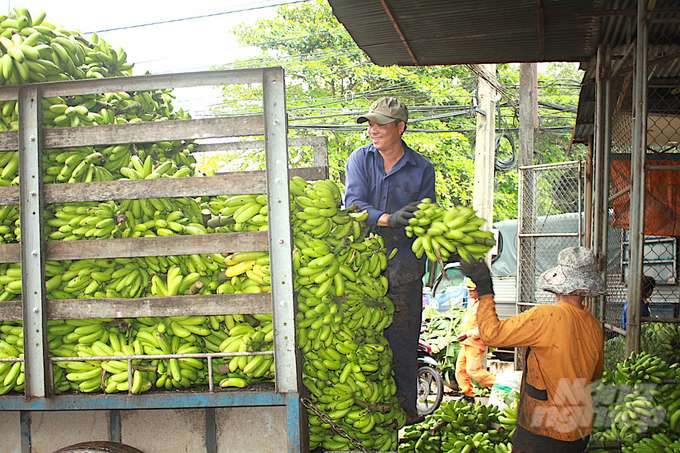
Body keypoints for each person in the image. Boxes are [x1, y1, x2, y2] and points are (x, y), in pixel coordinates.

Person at [344, 96, 436, 424]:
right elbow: (353, 205)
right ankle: (362, 410)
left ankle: (404, 411)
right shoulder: (359, 159)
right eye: (370, 124)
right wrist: (388, 219)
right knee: (362, 340)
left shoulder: (422, 168)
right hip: (362, 269)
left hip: (404, 272)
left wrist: (424, 222)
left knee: (402, 341)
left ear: (400, 127)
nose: (373, 130)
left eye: (380, 124)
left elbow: (427, 214)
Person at [459, 246, 605, 453]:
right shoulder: (593, 325)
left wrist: (485, 288)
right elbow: (596, 376)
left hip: (545, 429)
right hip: (580, 429)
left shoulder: (545, 316)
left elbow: (491, 334)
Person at [454, 278, 496, 403]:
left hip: (475, 344)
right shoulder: (474, 302)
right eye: (468, 290)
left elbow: (483, 328)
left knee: (474, 371)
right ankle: (468, 395)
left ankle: (500, 386)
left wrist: (467, 334)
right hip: (466, 344)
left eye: (472, 290)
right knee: (460, 370)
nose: (469, 293)